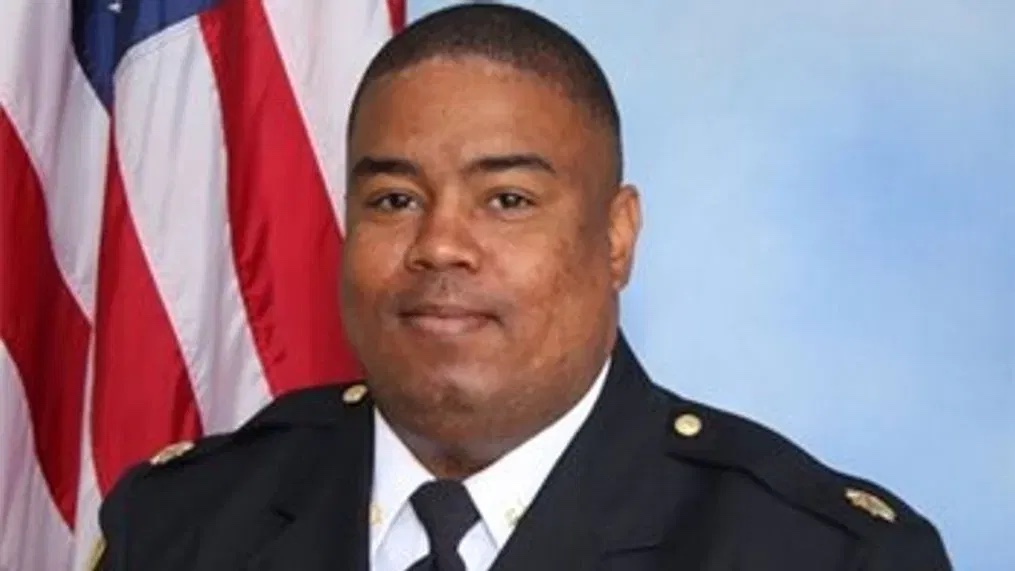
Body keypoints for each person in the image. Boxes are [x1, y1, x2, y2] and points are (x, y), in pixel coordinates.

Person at [92, 3, 951, 570]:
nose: (439, 244)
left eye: (506, 199)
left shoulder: (819, 553)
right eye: (394, 200)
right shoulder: (178, 528)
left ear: (615, 237)